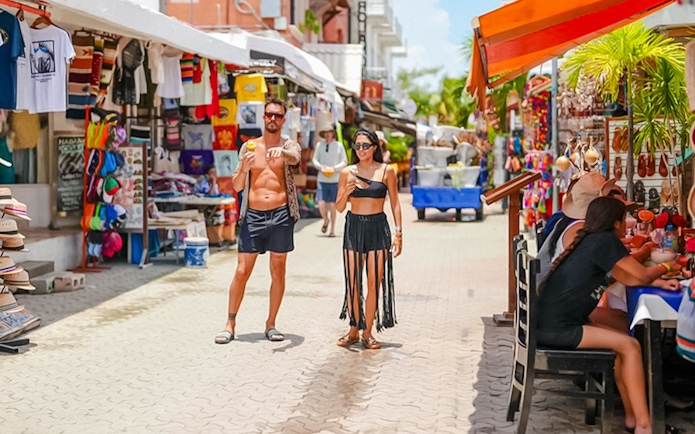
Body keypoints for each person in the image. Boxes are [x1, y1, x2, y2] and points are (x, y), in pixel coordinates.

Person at [537, 197, 681, 434]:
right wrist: (667, 268)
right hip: (559, 329)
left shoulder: (591, 240)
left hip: (551, 323)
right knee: (630, 345)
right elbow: (640, 276)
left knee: (622, 338)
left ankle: (634, 418)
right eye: (625, 219)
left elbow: (627, 276)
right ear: (617, 223)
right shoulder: (604, 241)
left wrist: (658, 281)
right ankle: (645, 426)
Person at [215, 98, 301, 344]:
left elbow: (295, 157)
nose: (273, 119)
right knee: (242, 271)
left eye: (278, 115)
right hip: (252, 215)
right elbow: (236, 185)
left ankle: (271, 323)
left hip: (280, 213)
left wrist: (283, 154)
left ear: (283, 120)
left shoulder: (289, 145)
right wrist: (243, 168)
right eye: (269, 114)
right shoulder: (249, 147)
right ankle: (230, 322)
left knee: (278, 269)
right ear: (263, 117)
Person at [335, 128, 403, 350]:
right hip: (354, 227)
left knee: (374, 282)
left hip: (377, 228)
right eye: (358, 146)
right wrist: (346, 191)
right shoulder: (347, 172)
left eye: (366, 145)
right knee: (353, 281)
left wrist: (399, 232)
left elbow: (394, 203)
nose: (361, 150)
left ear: (375, 147)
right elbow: (339, 207)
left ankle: (367, 332)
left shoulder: (386, 171)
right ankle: (354, 328)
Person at [311, 124, 348, 237]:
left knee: (332, 205)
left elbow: (344, 161)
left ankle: (332, 229)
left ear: (333, 134)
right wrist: (321, 167)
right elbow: (315, 159)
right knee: (321, 203)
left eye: (329, 132)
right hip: (322, 178)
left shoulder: (339, 146)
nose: (327, 135)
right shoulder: (319, 145)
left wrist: (334, 169)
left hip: (334, 179)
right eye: (326, 133)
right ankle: (325, 220)